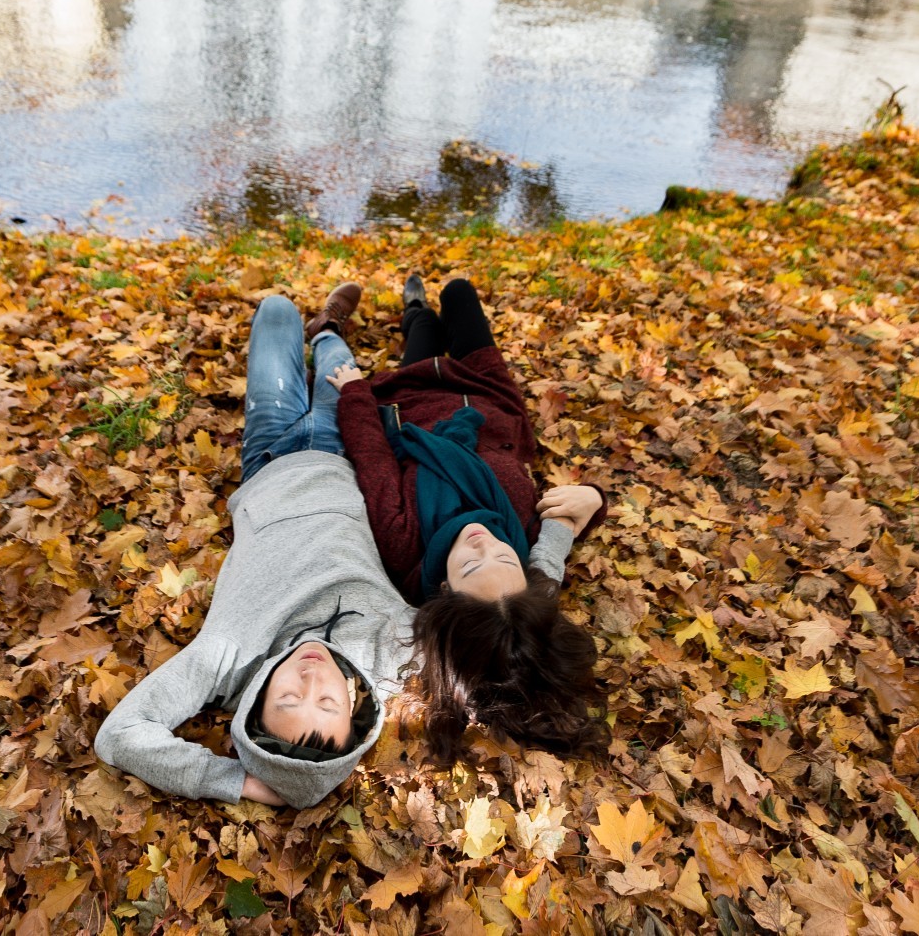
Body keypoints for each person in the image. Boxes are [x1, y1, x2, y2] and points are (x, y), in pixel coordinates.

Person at [92, 288, 410, 808]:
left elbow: (120, 735)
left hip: (270, 455)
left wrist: (238, 783)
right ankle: (329, 328)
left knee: (277, 310)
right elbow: (506, 628)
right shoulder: (390, 650)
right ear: (355, 709)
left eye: (287, 698)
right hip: (345, 450)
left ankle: (310, 322)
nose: (310, 676)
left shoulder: (227, 653)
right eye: (326, 701)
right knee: (335, 360)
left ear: (257, 699)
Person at [334, 276, 608, 762]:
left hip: (414, 395)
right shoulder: (526, 563)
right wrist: (593, 498)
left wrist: (355, 393)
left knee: (421, 326)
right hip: (489, 394)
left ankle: (413, 306)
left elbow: (372, 456)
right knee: (460, 292)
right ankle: (427, 304)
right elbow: (571, 520)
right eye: (505, 554)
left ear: (445, 591)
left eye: (471, 565)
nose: (483, 540)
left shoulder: (405, 542)